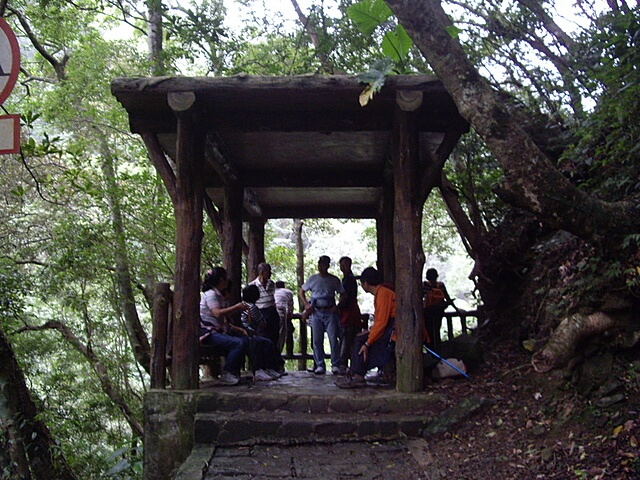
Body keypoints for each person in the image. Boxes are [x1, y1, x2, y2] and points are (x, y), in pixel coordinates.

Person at [335, 267, 395, 389]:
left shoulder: (383, 293)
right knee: (359, 337)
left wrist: (368, 343)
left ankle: (358, 374)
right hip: (388, 327)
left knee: (360, 341)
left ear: (366, 283)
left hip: (392, 330)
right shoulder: (380, 293)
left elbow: (382, 322)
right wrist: (371, 331)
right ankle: (356, 371)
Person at [199, 267, 250, 385]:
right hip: (208, 333)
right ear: (221, 280)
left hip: (217, 331)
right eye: (226, 278)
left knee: (245, 341)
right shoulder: (211, 294)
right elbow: (217, 313)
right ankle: (227, 373)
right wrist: (237, 307)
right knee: (237, 343)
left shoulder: (217, 295)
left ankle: (234, 373)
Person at [299, 255, 345, 375]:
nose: (321, 267)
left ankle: (335, 364)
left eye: (324, 264)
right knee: (317, 339)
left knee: (333, 339)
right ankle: (320, 365)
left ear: (328, 265)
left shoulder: (334, 280)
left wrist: (338, 306)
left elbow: (343, 294)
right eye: (320, 264)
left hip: (330, 311)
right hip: (316, 311)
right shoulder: (313, 279)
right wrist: (306, 305)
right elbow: (302, 291)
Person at [240, 284, 285, 380]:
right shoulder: (252, 307)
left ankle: (267, 368)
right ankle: (262, 368)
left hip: (247, 332)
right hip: (248, 332)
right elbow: (262, 323)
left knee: (264, 342)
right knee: (267, 343)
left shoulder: (243, 305)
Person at [337, 256, 363, 375]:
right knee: (348, 339)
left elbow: (346, 298)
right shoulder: (347, 279)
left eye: (345, 264)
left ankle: (344, 364)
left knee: (347, 339)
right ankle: (351, 364)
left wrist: (337, 308)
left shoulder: (349, 280)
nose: (343, 267)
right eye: (341, 265)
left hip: (349, 313)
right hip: (349, 312)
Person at [422, 268, 456, 349]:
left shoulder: (424, 285)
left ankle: (430, 349)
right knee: (436, 330)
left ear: (427, 277)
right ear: (437, 276)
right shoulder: (440, 285)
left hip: (428, 312)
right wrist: (456, 309)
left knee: (429, 331)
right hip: (439, 312)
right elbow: (447, 298)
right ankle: (437, 348)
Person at [249, 263, 280, 348]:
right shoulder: (253, 285)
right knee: (263, 338)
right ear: (262, 272)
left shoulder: (272, 284)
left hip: (272, 313)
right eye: (268, 271)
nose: (270, 273)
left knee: (274, 338)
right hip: (260, 313)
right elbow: (250, 304)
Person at [274, 280, 295, 353]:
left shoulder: (273, 292)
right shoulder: (288, 292)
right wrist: (290, 313)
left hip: (272, 311)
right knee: (282, 334)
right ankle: (278, 353)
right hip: (281, 312)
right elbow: (290, 306)